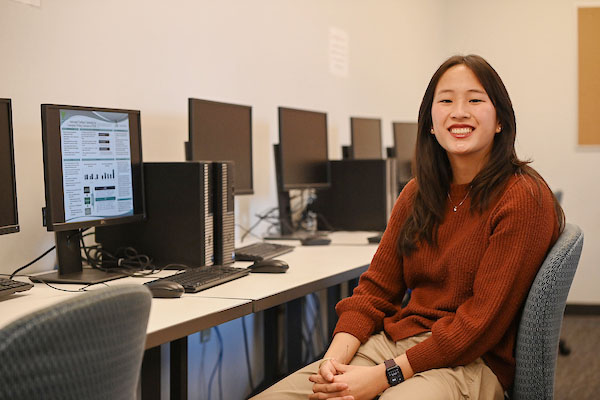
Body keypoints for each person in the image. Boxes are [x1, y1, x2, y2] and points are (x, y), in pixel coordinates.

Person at [252, 54, 564, 400]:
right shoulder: (417, 193)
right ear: (431, 122)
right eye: (445, 101)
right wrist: (333, 361)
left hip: (472, 360)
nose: (459, 111)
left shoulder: (522, 197)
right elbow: (374, 291)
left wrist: (385, 376)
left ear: (501, 120)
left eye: (475, 100)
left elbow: (479, 325)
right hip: (395, 344)